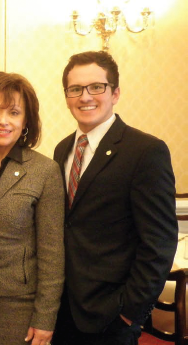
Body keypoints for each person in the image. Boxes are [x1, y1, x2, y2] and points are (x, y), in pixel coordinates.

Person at [52, 51, 178, 345]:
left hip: (112, 316)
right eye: (75, 89)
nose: (85, 97)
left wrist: (130, 311)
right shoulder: (62, 150)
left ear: (115, 93)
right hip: (64, 309)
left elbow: (159, 243)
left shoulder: (145, 151)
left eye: (96, 87)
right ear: (67, 96)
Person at [0, 72, 64, 345]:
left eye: (13, 112)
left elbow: (52, 254)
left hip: (17, 307)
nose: (3, 121)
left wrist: (45, 318)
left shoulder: (45, 171)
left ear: (26, 121)